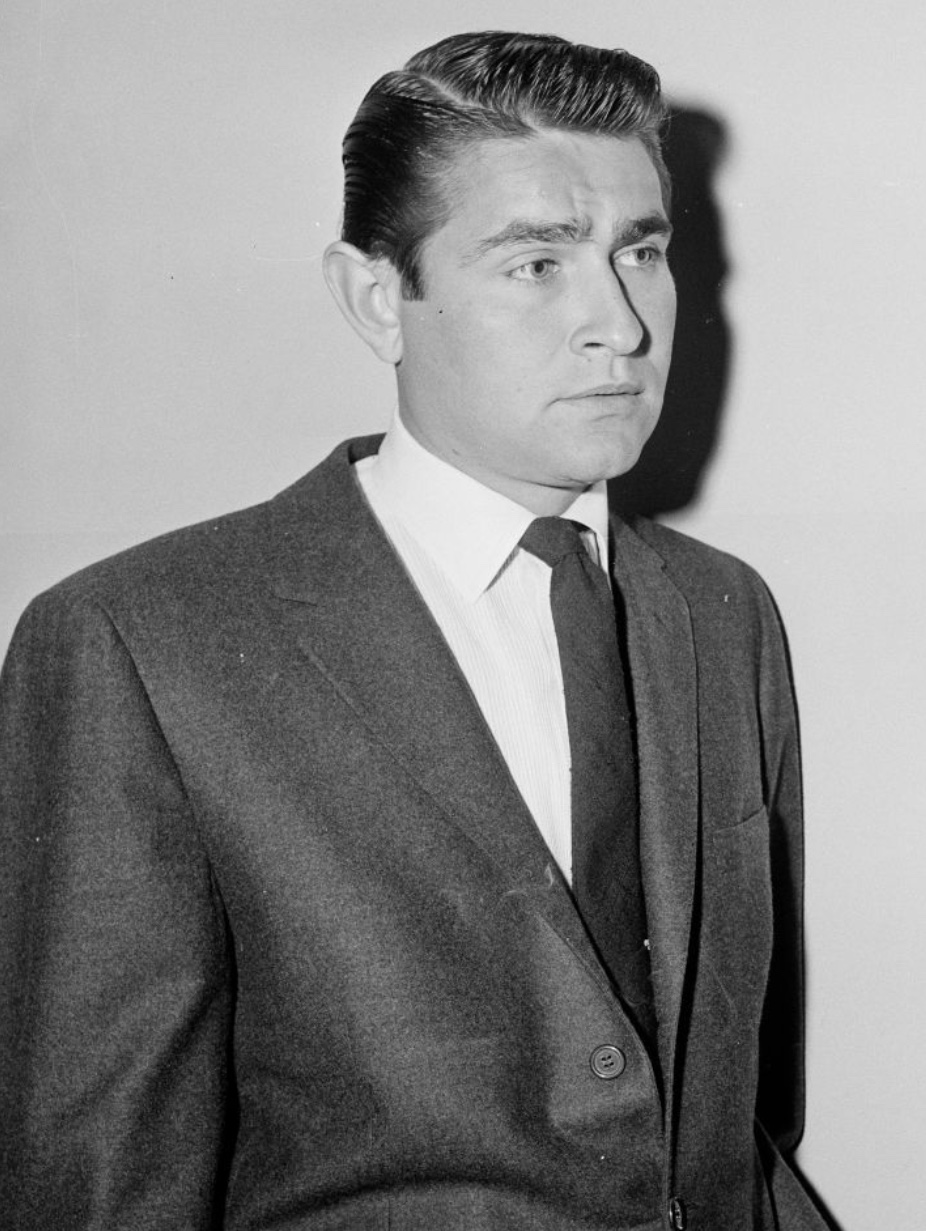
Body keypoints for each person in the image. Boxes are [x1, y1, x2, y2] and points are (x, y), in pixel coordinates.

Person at [0, 30, 829, 1231]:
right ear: (378, 299)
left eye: (639, 252)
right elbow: (96, 1189)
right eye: (535, 263)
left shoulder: (723, 611)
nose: (619, 324)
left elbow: (742, 1125)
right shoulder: (136, 643)